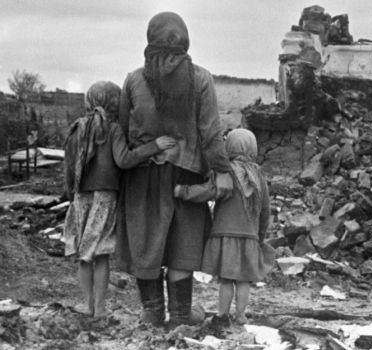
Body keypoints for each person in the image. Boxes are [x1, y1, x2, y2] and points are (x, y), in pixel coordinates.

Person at [116, 12, 233, 328]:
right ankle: (180, 316)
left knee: (146, 245)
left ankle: (152, 312)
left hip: (141, 178)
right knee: (183, 247)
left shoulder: (133, 80)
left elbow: (123, 132)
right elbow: (210, 133)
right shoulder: (201, 79)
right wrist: (221, 171)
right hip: (186, 178)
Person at [63, 81, 176, 318]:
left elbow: (69, 167)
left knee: (84, 255)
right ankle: (101, 309)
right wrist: (153, 146)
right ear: (116, 102)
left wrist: (71, 193)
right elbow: (124, 160)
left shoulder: (76, 129)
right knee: (101, 253)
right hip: (105, 196)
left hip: (80, 197)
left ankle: (88, 304)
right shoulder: (112, 129)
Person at [174, 128, 274, 327]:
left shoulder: (225, 173)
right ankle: (241, 316)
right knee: (244, 280)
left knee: (227, 280)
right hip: (249, 237)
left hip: (225, 235)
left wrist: (183, 191)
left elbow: (209, 191)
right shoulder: (259, 176)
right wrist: (259, 236)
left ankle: (222, 315)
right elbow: (265, 210)